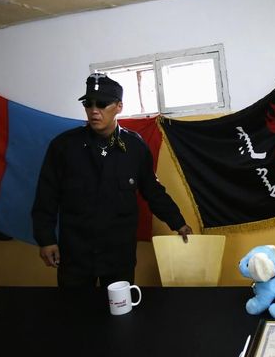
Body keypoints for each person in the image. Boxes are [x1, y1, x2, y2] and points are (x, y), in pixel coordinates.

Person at [32, 72, 193, 287]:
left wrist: (178, 222)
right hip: (76, 255)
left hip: (118, 255)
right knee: (73, 315)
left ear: (119, 106)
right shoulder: (64, 147)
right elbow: (46, 195)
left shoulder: (135, 148)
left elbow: (152, 190)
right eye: (88, 104)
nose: (94, 111)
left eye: (103, 104)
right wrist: (46, 239)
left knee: (120, 315)